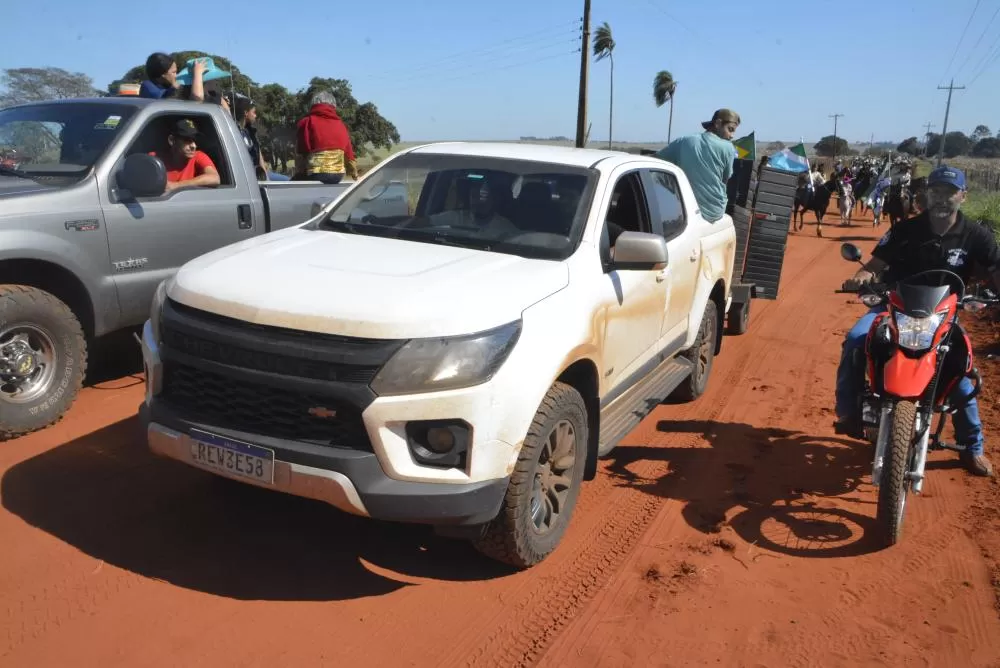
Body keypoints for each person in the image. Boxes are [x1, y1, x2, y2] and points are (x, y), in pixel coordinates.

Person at [833, 165, 1000, 477]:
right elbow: (875, 264)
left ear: (963, 196)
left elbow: (995, 269)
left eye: (950, 192)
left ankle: (972, 447)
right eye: (936, 191)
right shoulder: (906, 230)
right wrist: (860, 277)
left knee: (960, 368)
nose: (942, 198)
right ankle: (848, 412)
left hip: (944, 314)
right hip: (894, 305)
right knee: (857, 340)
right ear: (926, 195)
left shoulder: (976, 235)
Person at [655, 108, 740, 223]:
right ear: (718, 124)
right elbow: (725, 179)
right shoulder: (728, 148)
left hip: (684, 208)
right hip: (715, 210)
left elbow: (656, 158)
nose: (732, 136)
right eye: (730, 130)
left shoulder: (684, 141)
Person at [295, 91, 358, 183]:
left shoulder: (306, 122)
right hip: (338, 176)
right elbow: (349, 155)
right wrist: (354, 174)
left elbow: (300, 152)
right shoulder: (341, 124)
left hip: (316, 174)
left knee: (295, 180)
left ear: (313, 104)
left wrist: (299, 172)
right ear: (333, 106)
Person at [228, 93, 289, 181]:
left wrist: (265, 175)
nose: (255, 116)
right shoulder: (235, 131)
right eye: (254, 112)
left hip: (258, 173)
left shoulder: (250, 132)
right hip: (248, 175)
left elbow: (258, 153)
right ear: (246, 113)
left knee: (287, 180)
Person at [149, 119, 221, 191]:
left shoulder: (198, 156)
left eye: (194, 140)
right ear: (172, 140)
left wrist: (176, 185)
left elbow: (214, 178)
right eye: (187, 140)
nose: (194, 146)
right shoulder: (154, 159)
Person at [139, 52, 205, 102]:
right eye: (174, 72)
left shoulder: (165, 86)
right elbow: (197, 98)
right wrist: (198, 73)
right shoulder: (147, 86)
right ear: (163, 74)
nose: (176, 75)